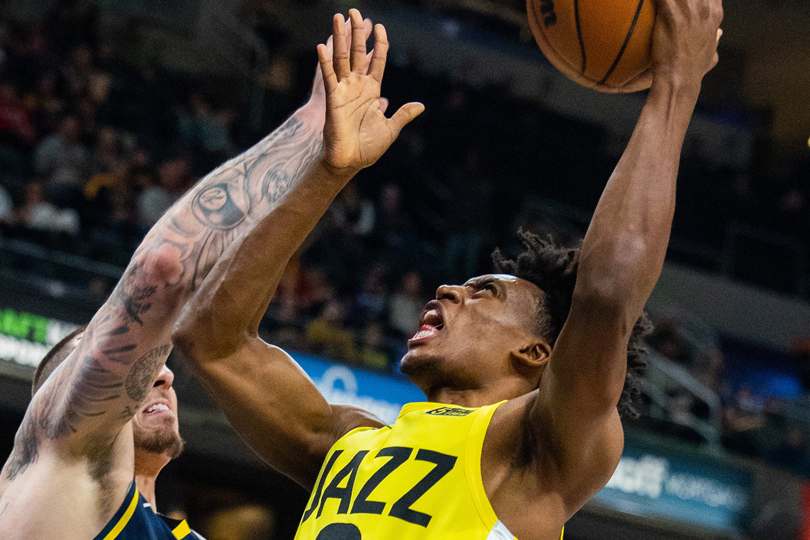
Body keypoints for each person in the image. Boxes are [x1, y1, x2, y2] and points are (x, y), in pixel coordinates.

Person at [173, 4, 722, 540]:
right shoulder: (344, 442)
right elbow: (212, 340)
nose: (447, 290)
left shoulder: (539, 447)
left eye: (485, 292)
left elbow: (605, 296)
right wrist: (328, 171)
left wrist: (676, 83)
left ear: (535, 352)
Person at [0, 23, 372, 539]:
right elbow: (165, 266)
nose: (164, 374)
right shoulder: (56, 465)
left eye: (159, 363)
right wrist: (313, 130)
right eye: (105, 357)